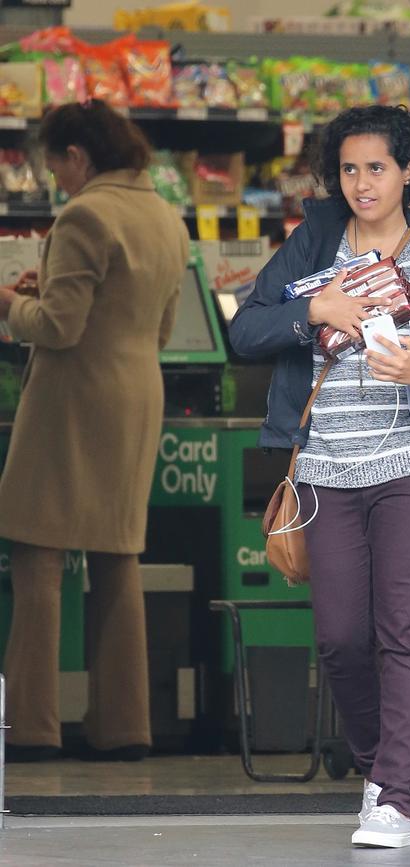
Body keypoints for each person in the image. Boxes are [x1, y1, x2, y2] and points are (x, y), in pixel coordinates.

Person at [230, 104, 410, 848]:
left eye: (377, 167)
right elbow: (245, 329)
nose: (362, 183)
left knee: (402, 626)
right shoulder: (313, 241)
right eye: (349, 169)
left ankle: (398, 799)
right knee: (340, 636)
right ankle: (378, 770)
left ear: (408, 170)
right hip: (325, 470)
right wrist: (315, 308)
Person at [0, 99, 190, 761]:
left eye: (55, 165)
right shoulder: (166, 216)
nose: (54, 180)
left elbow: (58, 327)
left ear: (76, 156)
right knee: (116, 558)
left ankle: (31, 727)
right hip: (139, 393)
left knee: (39, 555)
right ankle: (123, 727)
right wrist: (47, 289)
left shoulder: (85, 213)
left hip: (73, 400)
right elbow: (158, 326)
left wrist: (10, 303)